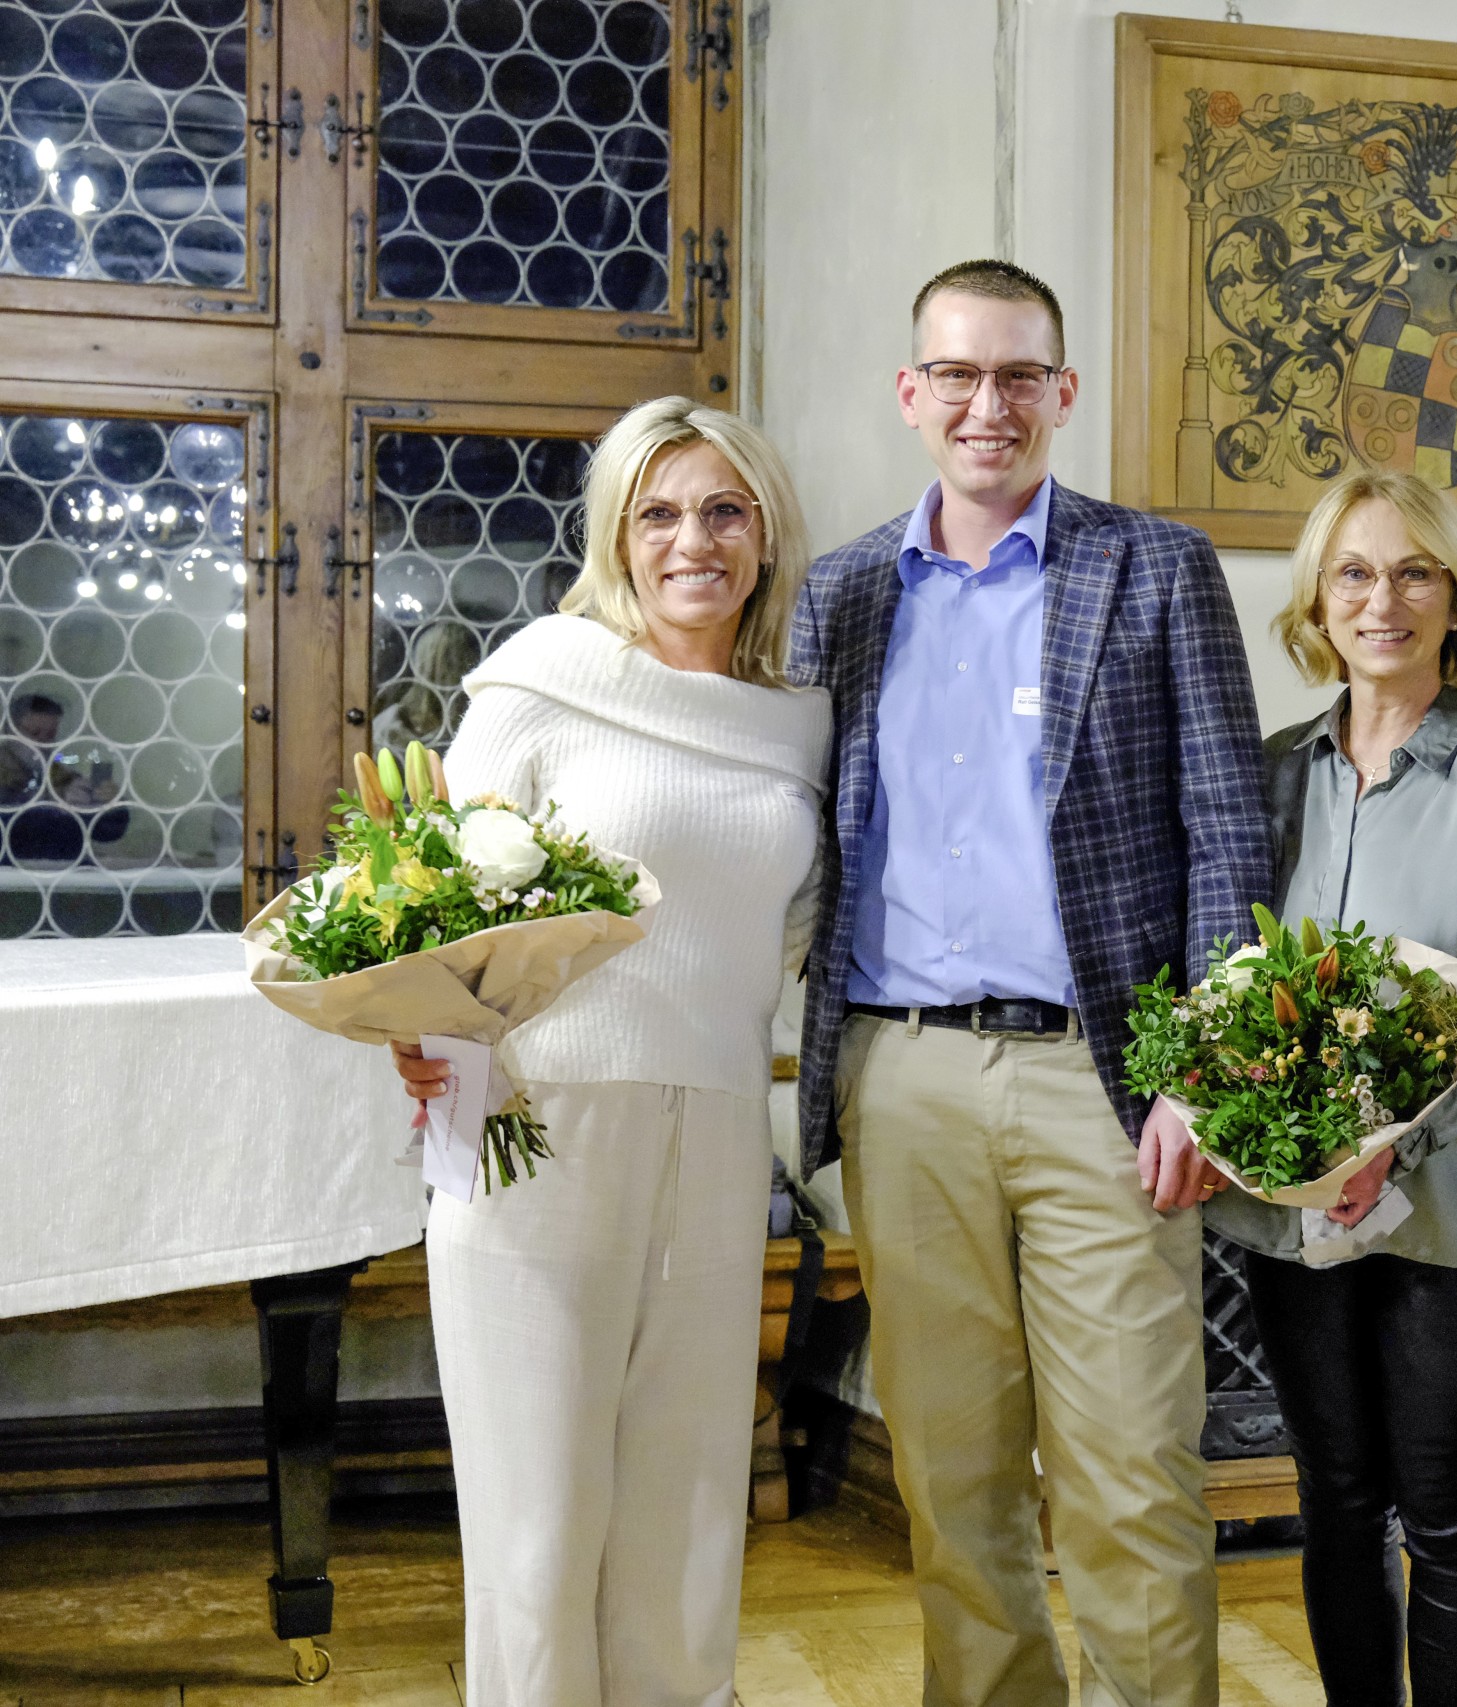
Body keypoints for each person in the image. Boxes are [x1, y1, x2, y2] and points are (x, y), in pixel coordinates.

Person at [789, 259, 1268, 1707]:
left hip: (1105, 1082)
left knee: (1133, 1472)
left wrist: (1209, 1066)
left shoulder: (1156, 567)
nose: (985, 404)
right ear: (910, 392)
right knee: (954, 1478)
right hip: (903, 1077)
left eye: (1016, 376)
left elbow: (1229, 832)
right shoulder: (841, 593)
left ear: (1064, 391)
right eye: (956, 374)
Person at [388, 397, 831, 1706]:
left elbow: (794, 923)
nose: (693, 538)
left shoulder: (800, 717)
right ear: (617, 534)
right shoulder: (542, 676)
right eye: (659, 511)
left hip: (714, 1121)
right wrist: (426, 1043)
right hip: (534, 1113)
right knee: (540, 1502)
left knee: (691, 1488)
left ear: (763, 532)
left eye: (723, 509)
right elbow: (429, 902)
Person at [1205, 469, 1457, 1707]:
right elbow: (1232, 985)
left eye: (1415, 572)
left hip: (1455, 1209)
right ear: (1318, 600)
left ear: (1456, 600)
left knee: (1446, 1513)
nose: (1382, 600)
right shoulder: (1268, 774)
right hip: (1291, 1211)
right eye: (1353, 572)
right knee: (1336, 1501)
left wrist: (1382, 1153)